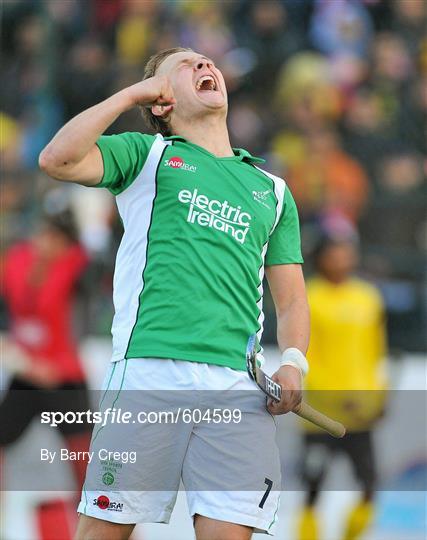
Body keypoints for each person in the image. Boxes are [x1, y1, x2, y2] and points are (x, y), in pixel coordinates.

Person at [39, 47, 310, 540]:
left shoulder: (271, 190)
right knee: (103, 532)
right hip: (149, 371)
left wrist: (292, 361)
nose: (205, 66)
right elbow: (57, 159)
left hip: (238, 387)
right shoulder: (147, 154)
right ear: (161, 101)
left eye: (208, 61)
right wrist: (131, 96)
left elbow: (290, 299)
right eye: (185, 66)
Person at [0, 210, 91, 539]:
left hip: (62, 376)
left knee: (84, 461)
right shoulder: (18, 260)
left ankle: (108, 529)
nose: (47, 244)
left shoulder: (75, 268)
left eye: (56, 239)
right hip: (27, 372)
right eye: (44, 235)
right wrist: (21, 360)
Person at [297, 228, 388, 540]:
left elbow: (376, 352)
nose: (342, 258)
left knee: (370, 485)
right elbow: (307, 355)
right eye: (335, 252)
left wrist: (379, 398)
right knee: (312, 490)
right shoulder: (310, 295)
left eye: (347, 251)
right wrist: (335, 399)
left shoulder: (368, 297)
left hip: (361, 413)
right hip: (320, 415)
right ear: (321, 257)